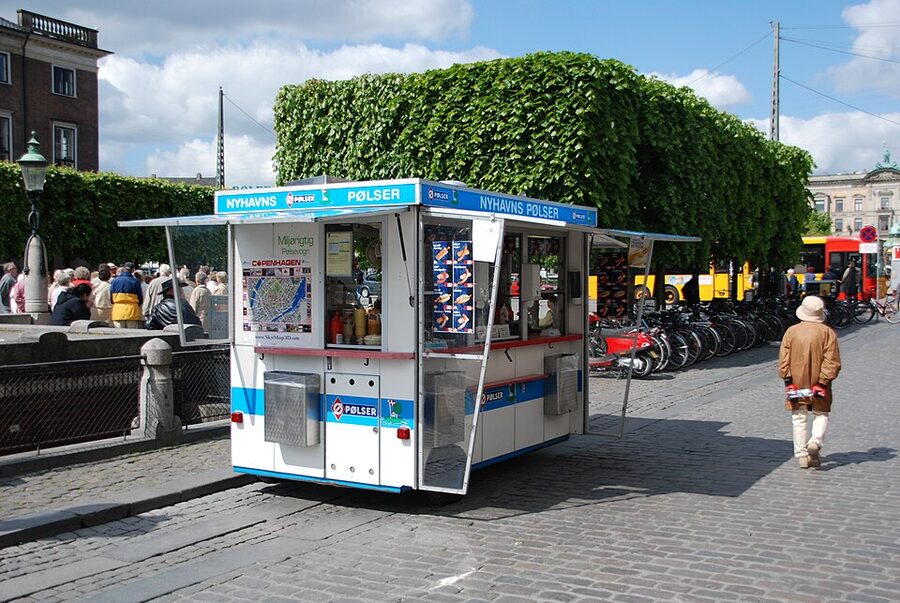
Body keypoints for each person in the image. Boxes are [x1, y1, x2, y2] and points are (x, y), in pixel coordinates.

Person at [778, 295, 842, 469]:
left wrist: (787, 379)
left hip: (795, 381)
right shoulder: (827, 332)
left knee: (798, 417)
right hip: (820, 383)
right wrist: (823, 381)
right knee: (821, 413)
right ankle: (815, 442)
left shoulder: (791, 331)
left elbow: (784, 360)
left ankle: (802, 455)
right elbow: (832, 362)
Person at [110, 261, 144, 328]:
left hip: (118, 311)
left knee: (118, 333)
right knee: (132, 332)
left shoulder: (114, 281)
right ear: (133, 270)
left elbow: (111, 299)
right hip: (132, 310)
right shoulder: (136, 282)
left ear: (123, 268)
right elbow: (140, 299)